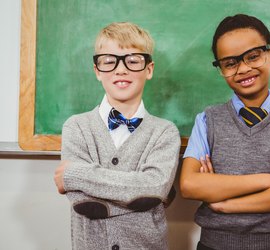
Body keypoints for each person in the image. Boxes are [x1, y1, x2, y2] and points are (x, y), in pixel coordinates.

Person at [180, 14, 270, 250]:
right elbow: (190, 184)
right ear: (221, 68)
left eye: (253, 56)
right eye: (230, 63)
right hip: (214, 245)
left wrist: (225, 202)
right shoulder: (208, 120)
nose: (243, 69)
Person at [53, 22, 180, 250]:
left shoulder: (165, 132)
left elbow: (154, 188)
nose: (120, 69)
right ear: (97, 71)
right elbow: (83, 203)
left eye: (132, 61)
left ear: (149, 69)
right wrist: (140, 198)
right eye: (109, 61)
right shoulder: (76, 127)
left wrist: (76, 175)